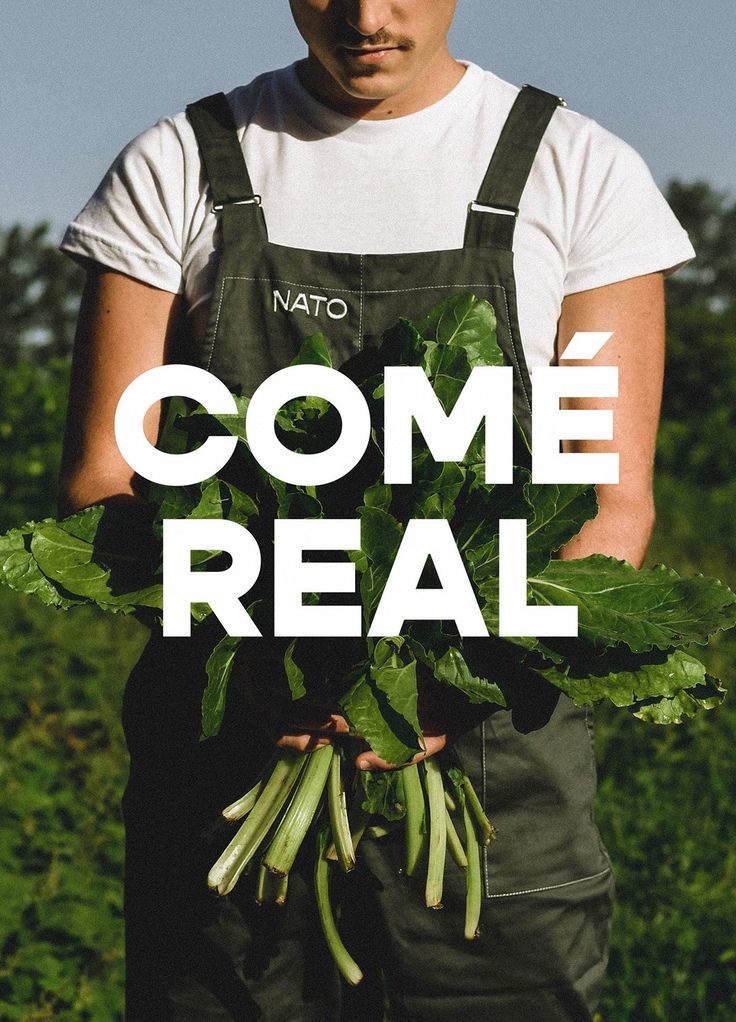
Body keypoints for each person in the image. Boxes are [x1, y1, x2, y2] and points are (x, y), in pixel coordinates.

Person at [57, 2, 695, 1019]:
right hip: (232, 752)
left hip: (491, 762)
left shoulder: (576, 171)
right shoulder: (181, 162)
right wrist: (280, 668)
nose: (365, 15)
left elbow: (610, 507)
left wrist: (442, 683)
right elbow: (105, 481)